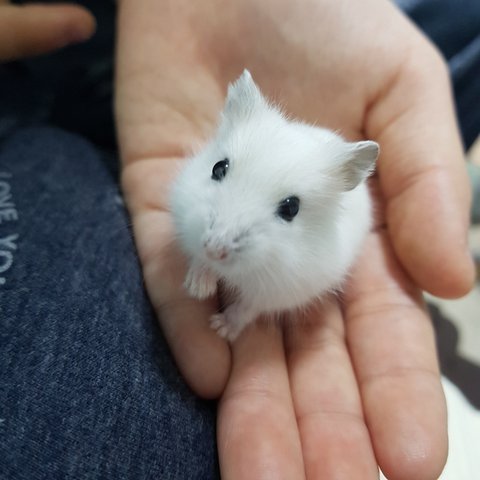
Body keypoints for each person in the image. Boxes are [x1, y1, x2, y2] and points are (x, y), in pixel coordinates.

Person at [0, 1, 478, 479]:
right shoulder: (220, 157)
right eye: (220, 171)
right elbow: (203, 230)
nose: (220, 239)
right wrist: (199, 261)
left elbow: (305, 277)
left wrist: (245, 309)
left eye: (287, 210)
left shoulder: (331, 203)